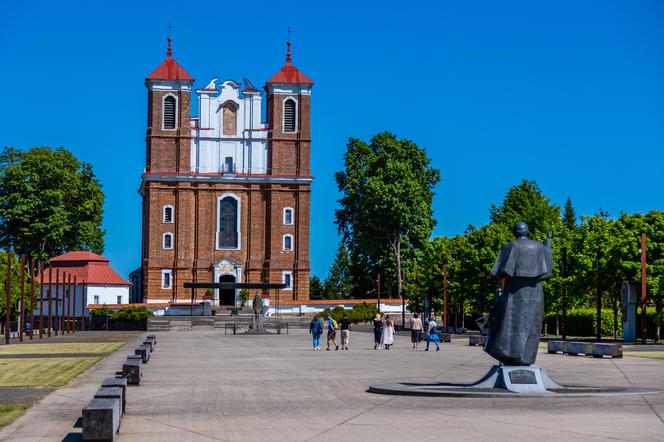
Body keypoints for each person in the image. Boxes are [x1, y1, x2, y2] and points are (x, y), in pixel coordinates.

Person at [485, 222, 553, 365]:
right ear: (527, 231)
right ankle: (525, 358)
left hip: (513, 293)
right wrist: (548, 245)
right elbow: (548, 268)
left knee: (507, 324)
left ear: (514, 232)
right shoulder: (539, 247)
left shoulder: (509, 247)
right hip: (535, 293)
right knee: (531, 327)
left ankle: (508, 354)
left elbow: (497, 273)